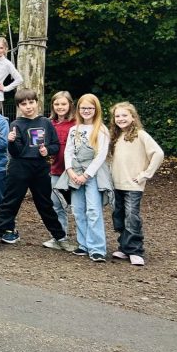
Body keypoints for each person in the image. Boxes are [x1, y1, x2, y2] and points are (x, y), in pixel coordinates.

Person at [0, 89, 74, 252]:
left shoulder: (46, 122)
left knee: (45, 204)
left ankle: (60, 237)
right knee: (10, 202)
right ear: (19, 106)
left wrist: (47, 150)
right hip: (19, 167)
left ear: (37, 103)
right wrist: (11, 142)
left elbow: (55, 145)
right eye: (24, 104)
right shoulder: (16, 124)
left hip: (40, 168)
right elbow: (15, 152)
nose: (28, 107)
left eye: (31, 102)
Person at [55, 94, 112, 262]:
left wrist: (86, 175)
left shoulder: (101, 129)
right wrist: (70, 171)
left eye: (90, 108)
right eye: (83, 108)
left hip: (92, 174)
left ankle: (97, 248)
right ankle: (84, 244)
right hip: (75, 173)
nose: (86, 111)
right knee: (78, 209)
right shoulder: (75, 129)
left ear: (96, 110)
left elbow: (101, 155)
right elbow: (68, 152)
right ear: (78, 109)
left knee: (93, 209)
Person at [109, 102, 164, 266]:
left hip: (133, 185)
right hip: (116, 184)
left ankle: (135, 250)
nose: (121, 119)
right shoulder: (115, 137)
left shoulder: (141, 135)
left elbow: (158, 153)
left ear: (133, 117)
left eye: (124, 115)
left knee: (132, 217)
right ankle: (125, 247)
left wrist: (145, 174)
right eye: (117, 116)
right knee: (119, 217)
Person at [49, 91, 77, 240]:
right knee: (56, 205)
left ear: (70, 105)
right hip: (55, 170)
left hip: (74, 172)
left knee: (78, 207)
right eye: (57, 104)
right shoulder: (49, 123)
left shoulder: (77, 123)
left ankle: (84, 239)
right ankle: (60, 236)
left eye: (63, 104)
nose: (60, 107)